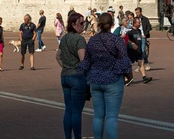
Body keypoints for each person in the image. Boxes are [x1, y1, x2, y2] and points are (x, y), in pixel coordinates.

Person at [83, 12, 132, 139]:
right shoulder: (117, 40)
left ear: (99, 24)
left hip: (95, 80)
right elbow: (124, 60)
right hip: (113, 80)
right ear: (112, 25)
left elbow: (86, 61)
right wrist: (129, 75)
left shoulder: (92, 40)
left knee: (98, 116)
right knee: (111, 117)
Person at [57, 11, 89, 139]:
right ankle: (77, 137)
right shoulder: (79, 39)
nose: (83, 25)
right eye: (81, 23)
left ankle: (67, 137)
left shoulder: (64, 38)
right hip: (77, 77)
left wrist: (66, 67)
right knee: (76, 112)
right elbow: (83, 60)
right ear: (74, 24)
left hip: (65, 76)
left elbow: (57, 56)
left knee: (68, 110)